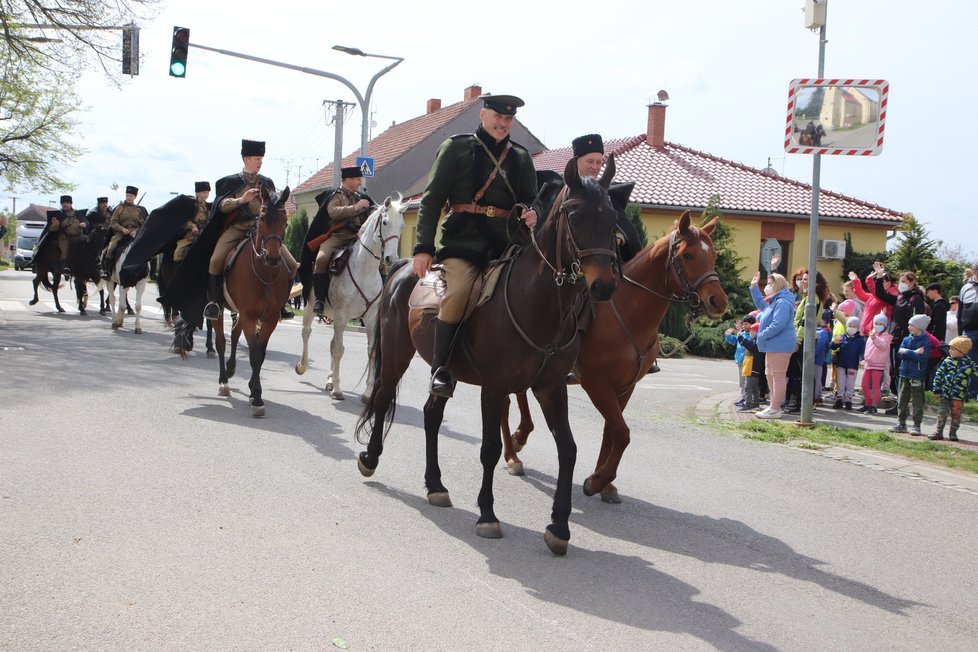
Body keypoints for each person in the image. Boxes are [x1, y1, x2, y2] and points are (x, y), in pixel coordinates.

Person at [412, 94, 541, 397]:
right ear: (483, 115)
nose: (503, 123)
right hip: (464, 240)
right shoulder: (456, 148)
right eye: (498, 117)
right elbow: (431, 201)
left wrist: (536, 212)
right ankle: (441, 369)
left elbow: (532, 199)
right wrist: (422, 247)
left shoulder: (521, 157)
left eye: (509, 120)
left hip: (508, 243)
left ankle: (549, 360)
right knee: (458, 292)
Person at [203, 139, 299, 321]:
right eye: (257, 158)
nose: (260, 162)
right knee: (215, 261)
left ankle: (281, 304)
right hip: (237, 228)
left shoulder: (267, 183)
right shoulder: (230, 182)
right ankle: (215, 303)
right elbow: (221, 205)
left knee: (292, 265)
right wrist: (241, 200)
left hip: (262, 232)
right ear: (245, 158)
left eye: (261, 158)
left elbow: (274, 205)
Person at [569, 134, 642, 263]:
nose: (595, 167)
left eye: (599, 162)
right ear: (576, 162)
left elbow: (626, 229)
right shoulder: (559, 194)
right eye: (590, 161)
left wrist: (620, 236)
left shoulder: (608, 197)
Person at [309, 166, 372, 316]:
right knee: (321, 259)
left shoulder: (359, 196)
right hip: (337, 236)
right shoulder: (336, 195)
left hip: (356, 236)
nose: (360, 182)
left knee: (376, 260)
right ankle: (319, 299)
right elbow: (334, 212)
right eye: (358, 179)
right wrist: (356, 207)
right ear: (348, 180)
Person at [871, 262, 928, 401]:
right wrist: (879, 275)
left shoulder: (916, 299)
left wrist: (911, 340)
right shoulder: (899, 298)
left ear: (912, 282)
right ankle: (898, 399)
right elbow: (881, 294)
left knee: (900, 371)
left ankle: (902, 401)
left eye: (904, 281)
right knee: (893, 371)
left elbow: (916, 321)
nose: (901, 284)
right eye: (900, 281)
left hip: (905, 341)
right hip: (894, 338)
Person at [750, 271, 796, 419]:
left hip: (780, 345)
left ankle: (775, 408)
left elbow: (778, 324)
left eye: (770, 284)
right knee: (770, 374)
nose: (767, 287)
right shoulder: (775, 301)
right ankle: (773, 406)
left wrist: (761, 336)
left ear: (778, 284)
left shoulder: (782, 302)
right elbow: (761, 305)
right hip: (773, 345)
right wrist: (754, 287)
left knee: (777, 376)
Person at [890, 314, 932, 435]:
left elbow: (923, 358)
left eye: (912, 325)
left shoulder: (925, 342)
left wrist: (907, 352)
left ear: (919, 327)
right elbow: (900, 353)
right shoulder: (906, 339)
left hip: (917, 375)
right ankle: (901, 423)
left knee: (917, 401)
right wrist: (913, 352)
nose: (909, 327)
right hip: (904, 374)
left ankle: (916, 425)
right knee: (902, 399)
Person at [929, 336, 976, 441]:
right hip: (945, 393)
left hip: (958, 395)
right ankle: (938, 432)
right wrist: (936, 388)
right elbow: (939, 374)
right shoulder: (947, 361)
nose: (950, 350)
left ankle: (953, 433)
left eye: (953, 349)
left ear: (961, 351)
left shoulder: (969, 364)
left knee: (956, 414)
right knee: (942, 412)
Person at [102, 186, 147, 278]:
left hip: (134, 234)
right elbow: (113, 222)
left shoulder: (139, 210)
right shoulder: (119, 208)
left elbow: (142, 224)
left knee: (147, 247)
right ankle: (107, 271)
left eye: (131, 196)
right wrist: (122, 229)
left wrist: (136, 231)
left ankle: (149, 272)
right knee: (111, 248)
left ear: (135, 197)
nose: (129, 197)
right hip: (120, 233)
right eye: (127, 195)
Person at [830, 316, 865, 410]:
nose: (852, 328)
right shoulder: (842, 337)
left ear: (857, 328)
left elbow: (862, 352)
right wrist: (835, 342)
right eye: (850, 325)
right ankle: (839, 399)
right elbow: (832, 347)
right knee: (840, 382)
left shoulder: (860, 340)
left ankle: (848, 400)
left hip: (852, 365)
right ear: (846, 326)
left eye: (854, 326)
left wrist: (863, 359)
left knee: (850, 384)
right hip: (841, 364)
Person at [860, 313, 893, 413]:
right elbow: (868, 348)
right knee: (864, 385)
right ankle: (867, 403)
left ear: (885, 325)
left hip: (878, 364)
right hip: (868, 363)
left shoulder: (887, 337)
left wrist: (874, 337)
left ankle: (874, 405)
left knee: (875, 386)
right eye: (876, 323)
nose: (878, 326)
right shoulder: (871, 335)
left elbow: (882, 346)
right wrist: (865, 359)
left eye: (881, 324)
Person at [47, 195, 88, 274]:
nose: (65, 205)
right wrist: (55, 225)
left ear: (70, 204)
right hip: (65, 238)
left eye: (67, 203)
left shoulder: (78, 213)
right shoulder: (57, 214)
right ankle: (66, 268)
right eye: (63, 203)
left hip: (79, 236)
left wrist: (84, 224)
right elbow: (51, 229)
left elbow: (86, 222)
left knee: (90, 245)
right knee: (65, 249)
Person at [172, 182, 212, 263]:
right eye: (204, 192)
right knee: (177, 255)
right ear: (198, 193)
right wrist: (193, 226)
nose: (206, 195)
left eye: (208, 192)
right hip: (191, 235)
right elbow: (183, 220)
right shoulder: (191, 204)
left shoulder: (210, 206)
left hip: (206, 233)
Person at [957, 262, 978, 400]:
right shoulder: (966, 288)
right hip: (969, 331)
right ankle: (969, 393)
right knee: (968, 363)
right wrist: (960, 332)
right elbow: (960, 311)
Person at [725, 315, 754, 406]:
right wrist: (728, 335)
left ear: (752, 325)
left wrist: (739, 332)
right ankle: (743, 397)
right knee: (742, 382)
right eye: (743, 324)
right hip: (740, 361)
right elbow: (734, 341)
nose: (744, 326)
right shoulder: (741, 333)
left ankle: (748, 398)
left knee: (747, 382)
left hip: (748, 361)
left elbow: (749, 343)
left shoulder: (752, 334)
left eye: (746, 324)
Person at [737, 322, 764, 412]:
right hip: (752, 367)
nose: (750, 333)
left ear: (756, 331)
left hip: (753, 368)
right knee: (754, 387)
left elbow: (750, 346)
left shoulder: (757, 341)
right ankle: (755, 403)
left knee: (749, 387)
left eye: (752, 331)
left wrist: (740, 337)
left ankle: (748, 404)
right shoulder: (756, 340)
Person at [812, 309, 833, 407]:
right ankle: (818, 396)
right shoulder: (822, 330)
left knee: (816, 378)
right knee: (817, 378)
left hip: (817, 359)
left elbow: (819, 346)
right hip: (818, 358)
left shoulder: (823, 332)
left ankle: (816, 397)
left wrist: (812, 354)